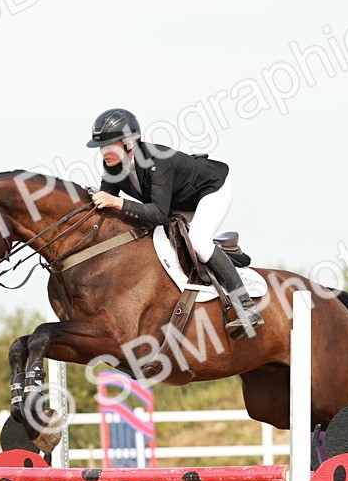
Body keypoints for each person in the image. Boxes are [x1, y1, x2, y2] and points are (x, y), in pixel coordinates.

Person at [85, 107, 263, 336]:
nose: (103, 152)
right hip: (176, 202)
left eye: (109, 145)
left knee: (199, 241)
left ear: (129, 143)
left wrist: (118, 202)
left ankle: (246, 306)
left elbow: (158, 214)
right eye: (100, 147)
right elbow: (106, 204)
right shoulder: (112, 167)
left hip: (210, 190)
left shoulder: (158, 161)